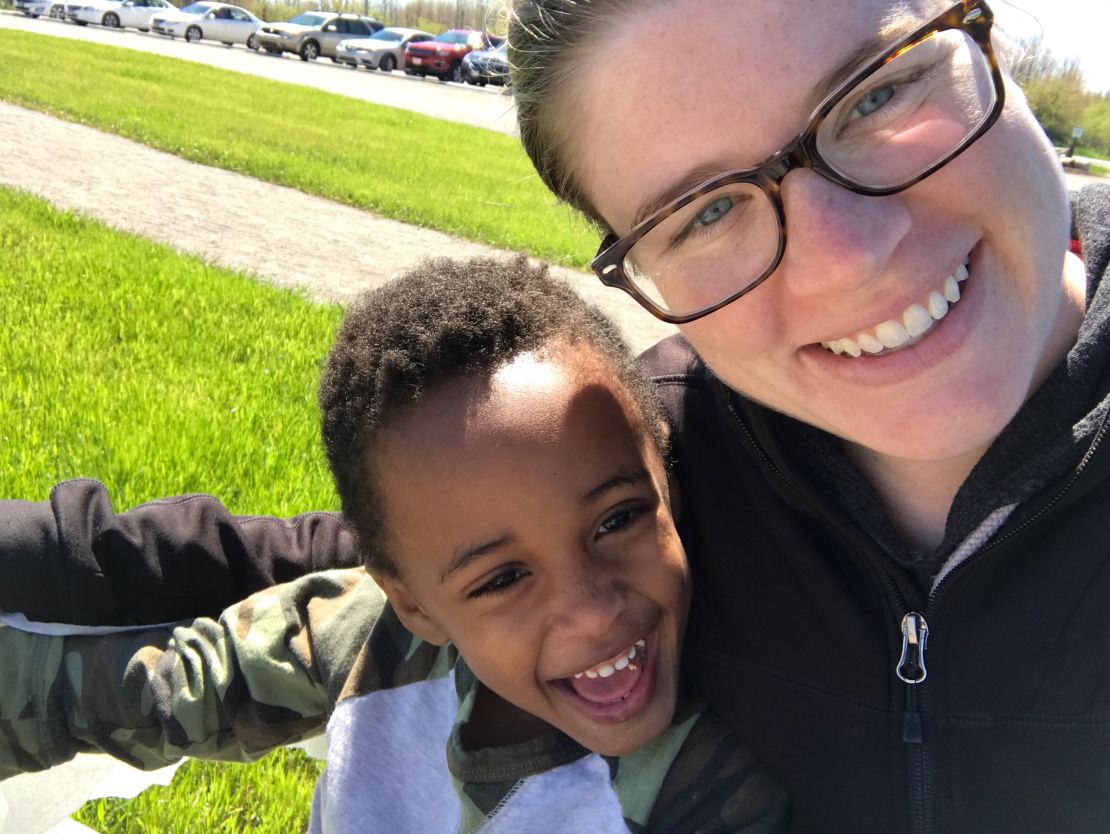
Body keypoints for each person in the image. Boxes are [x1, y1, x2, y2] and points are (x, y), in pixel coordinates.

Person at [1, 0, 1108, 830]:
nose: (852, 258)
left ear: (989, 43)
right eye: (704, 209)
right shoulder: (666, 441)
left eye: (876, 90)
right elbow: (351, 566)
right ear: (635, 261)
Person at [0, 256, 789, 833]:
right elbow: (146, 690)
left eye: (616, 520)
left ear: (667, 483)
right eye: (504, 577)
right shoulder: (368, 639)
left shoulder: (708, 792)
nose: (590, 611)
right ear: (411, 599)